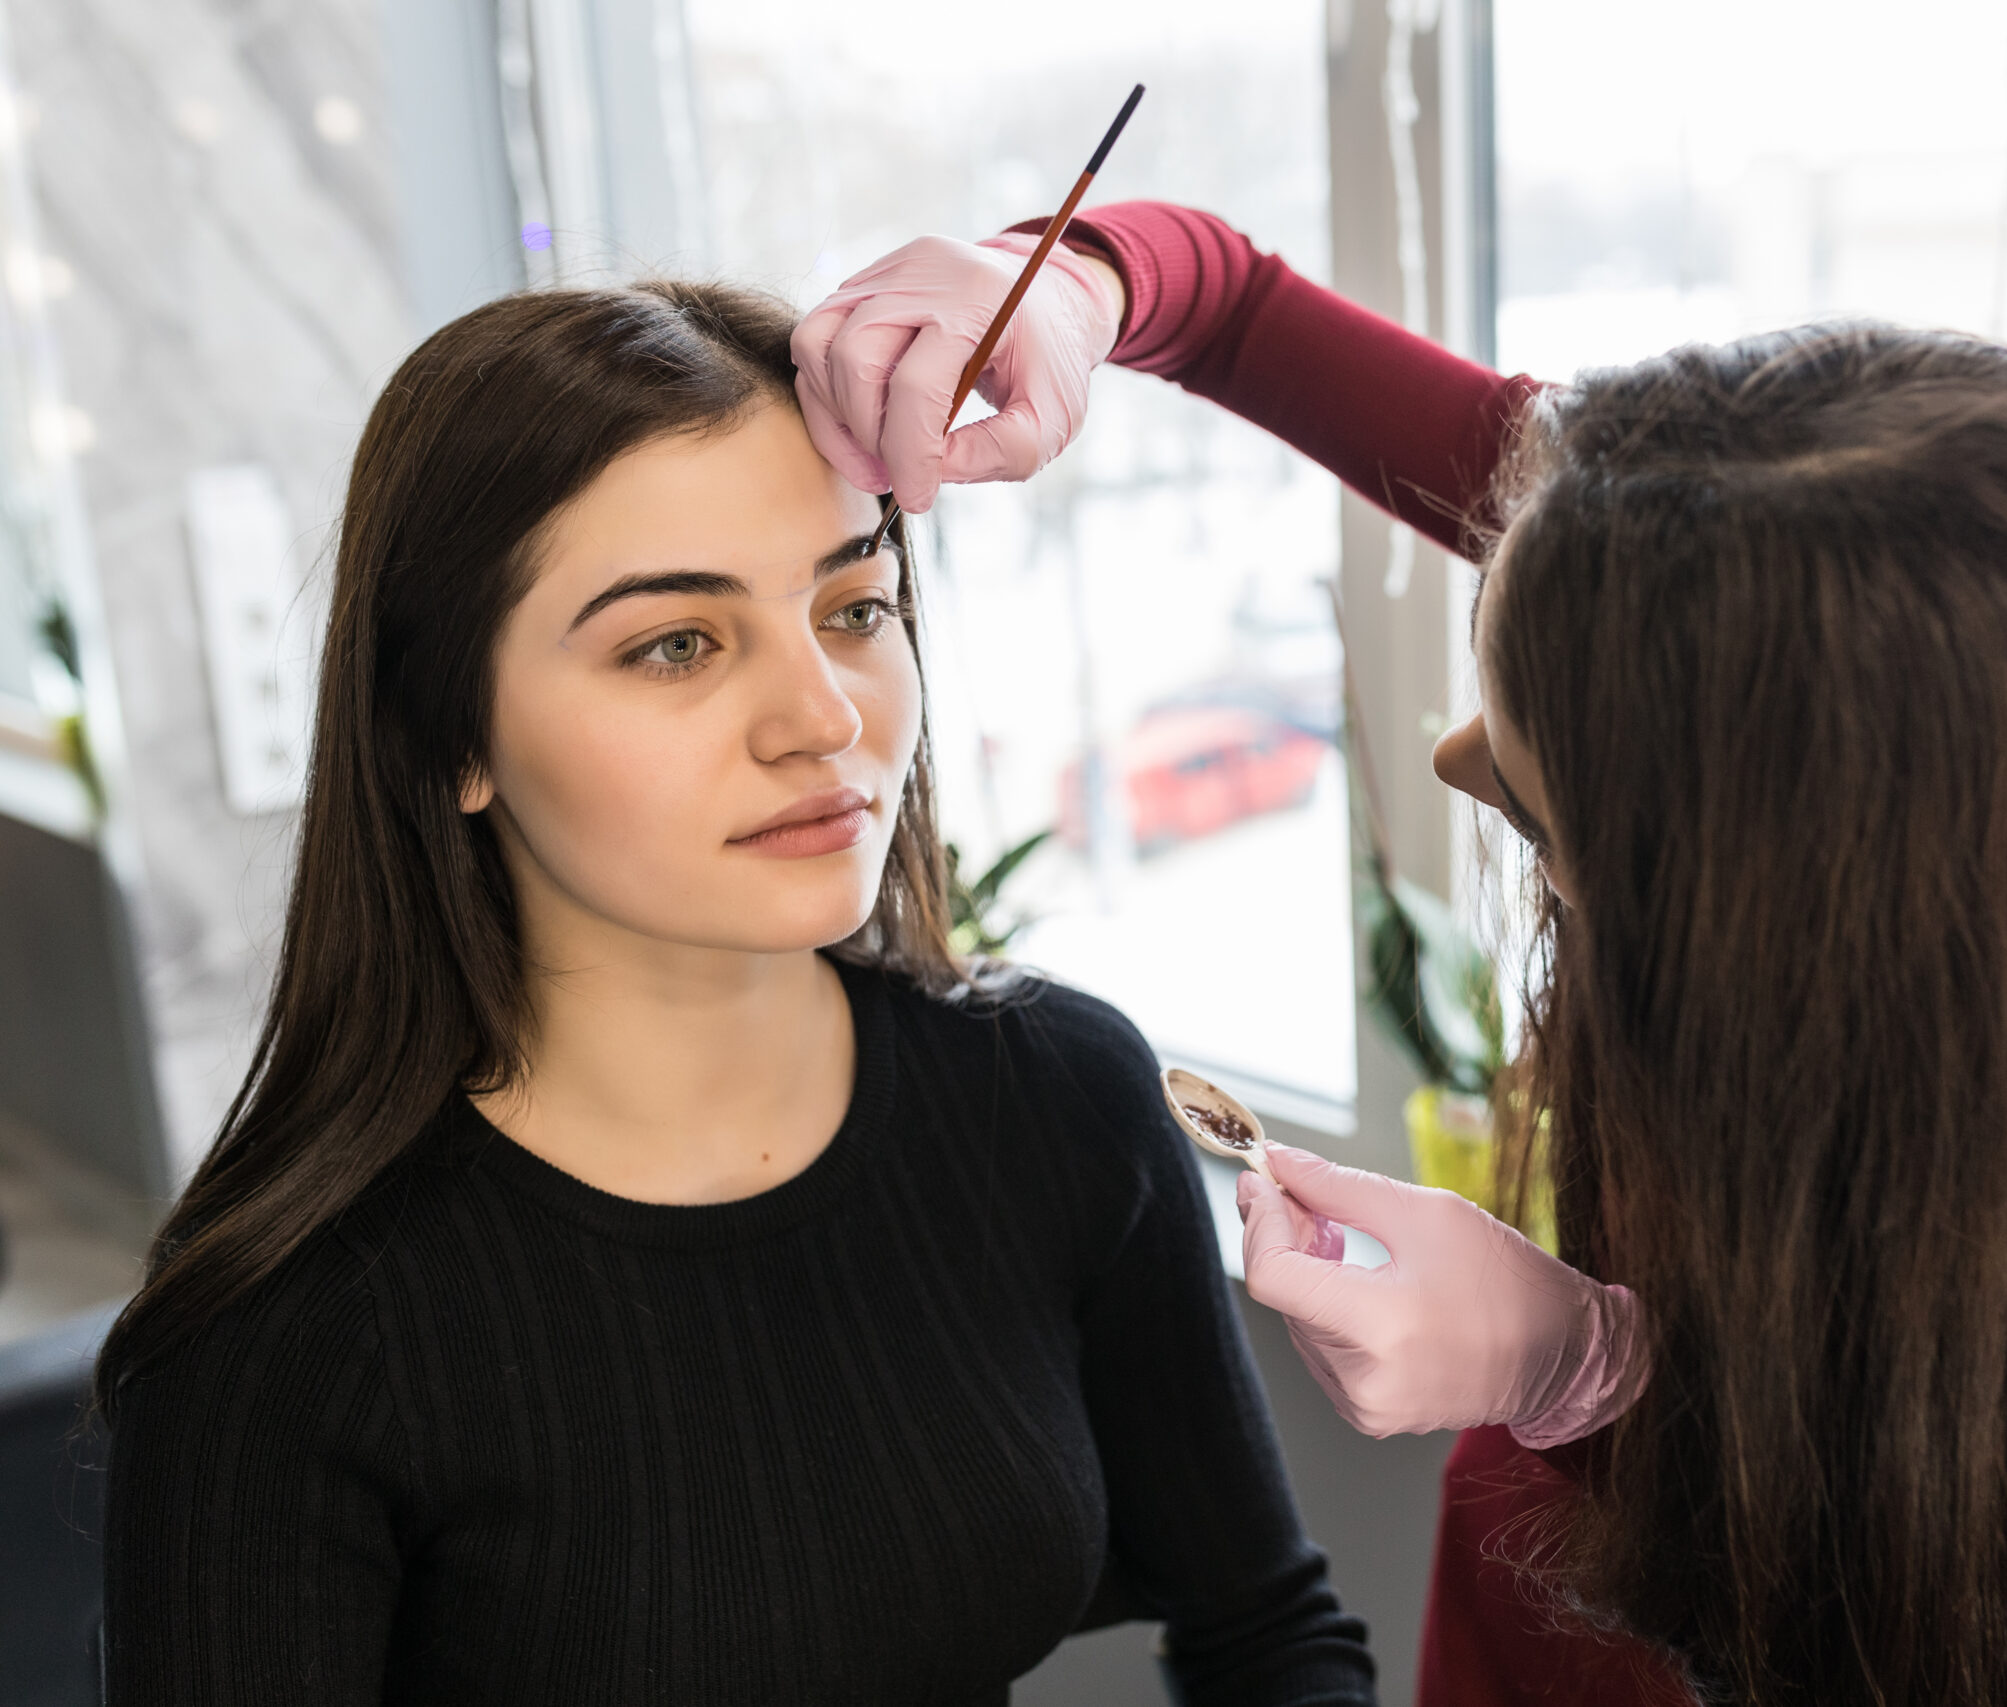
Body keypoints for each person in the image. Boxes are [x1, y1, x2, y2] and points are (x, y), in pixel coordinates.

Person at [792, 205, 2007, 1706]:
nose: (1459, 759)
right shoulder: (1708, 548)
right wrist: (1077, 280)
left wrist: (1591, 1372)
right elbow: (1229, 308)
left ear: (1792, 925)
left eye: (1550, 818)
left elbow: (1903, 1627)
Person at [91, 280, 1377, 1705]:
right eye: (676, 645)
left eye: (854, 606)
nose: (824, 717)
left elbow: (1271, 1636)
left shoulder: (1056, 1099)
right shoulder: (285, 1336)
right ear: (448, 739)